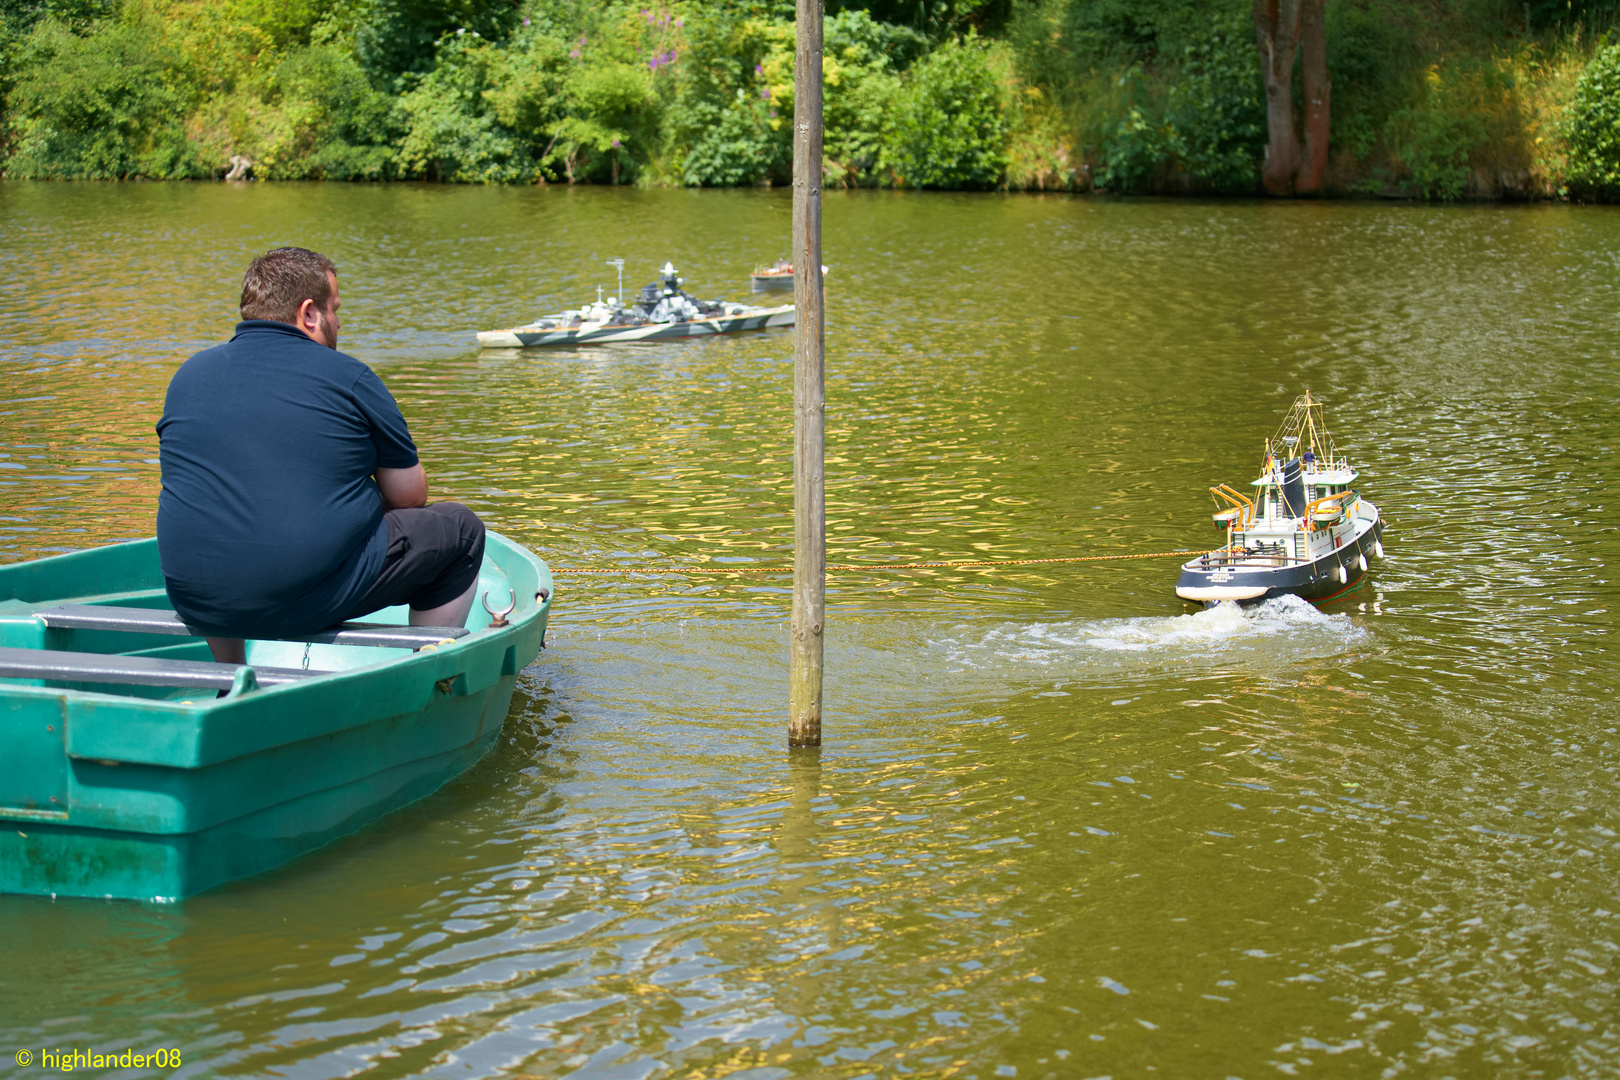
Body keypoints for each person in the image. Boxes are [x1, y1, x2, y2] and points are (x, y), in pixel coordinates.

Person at [157, 247, 485, 664]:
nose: (339, 322)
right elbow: (409, 496)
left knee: (223, 538)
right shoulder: (349, 376)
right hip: (296, 599)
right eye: (335, 309)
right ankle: (423, 670)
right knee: (460, 531)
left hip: (196, 598)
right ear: (309, 313)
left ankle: (231, 677)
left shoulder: (189, 375)